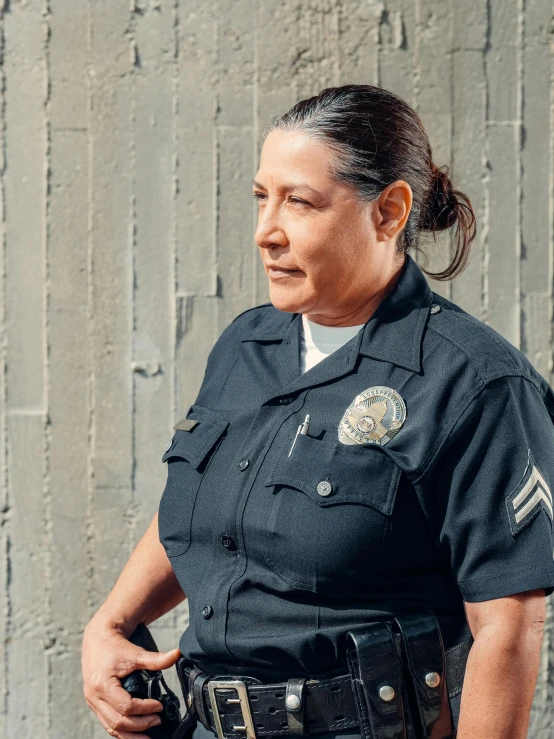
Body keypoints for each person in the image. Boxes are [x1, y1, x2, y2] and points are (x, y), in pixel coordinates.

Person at [82, 84, 554, 739]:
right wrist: (108, 623)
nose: (265, 232)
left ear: (389, 213)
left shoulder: (475, 382)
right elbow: (199, 508)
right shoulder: (247, 344)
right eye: (260, 198)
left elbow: (507, 626)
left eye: (298, 202)